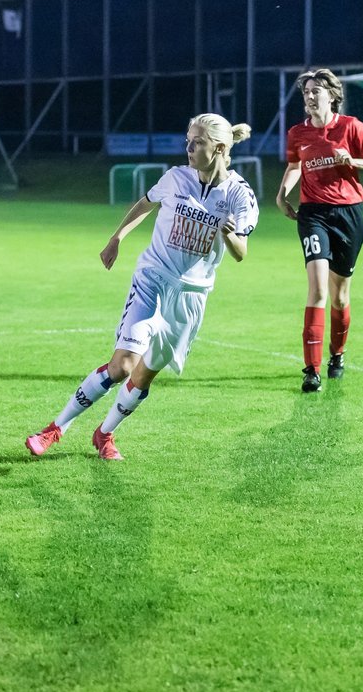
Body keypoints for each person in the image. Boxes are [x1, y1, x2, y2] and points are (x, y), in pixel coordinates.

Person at [25, 113, 258, 461]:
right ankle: (55, 429)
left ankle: (104, 434)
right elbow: (145, 204)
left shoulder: (240, 196)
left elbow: (240, 253)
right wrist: (116, 238)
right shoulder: (176, 178)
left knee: (145, 376)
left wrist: (227, 231)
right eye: (188, 140)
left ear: (220, 148)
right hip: (153, 278)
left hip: (191, 297)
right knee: (122, 365)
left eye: (197, 142)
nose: (189, 148)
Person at [276, 68, 363, 393]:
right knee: (318, 289)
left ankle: (336, 355)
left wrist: (352, 160)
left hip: (350, 215)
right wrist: (282, 194)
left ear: (332, 95)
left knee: (340, 296)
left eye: (316, 92)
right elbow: (295, 164)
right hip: (313, 214)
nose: (310, 97)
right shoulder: (297, 132)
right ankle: (311, 371)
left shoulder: (351, 127)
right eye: (306, 92)